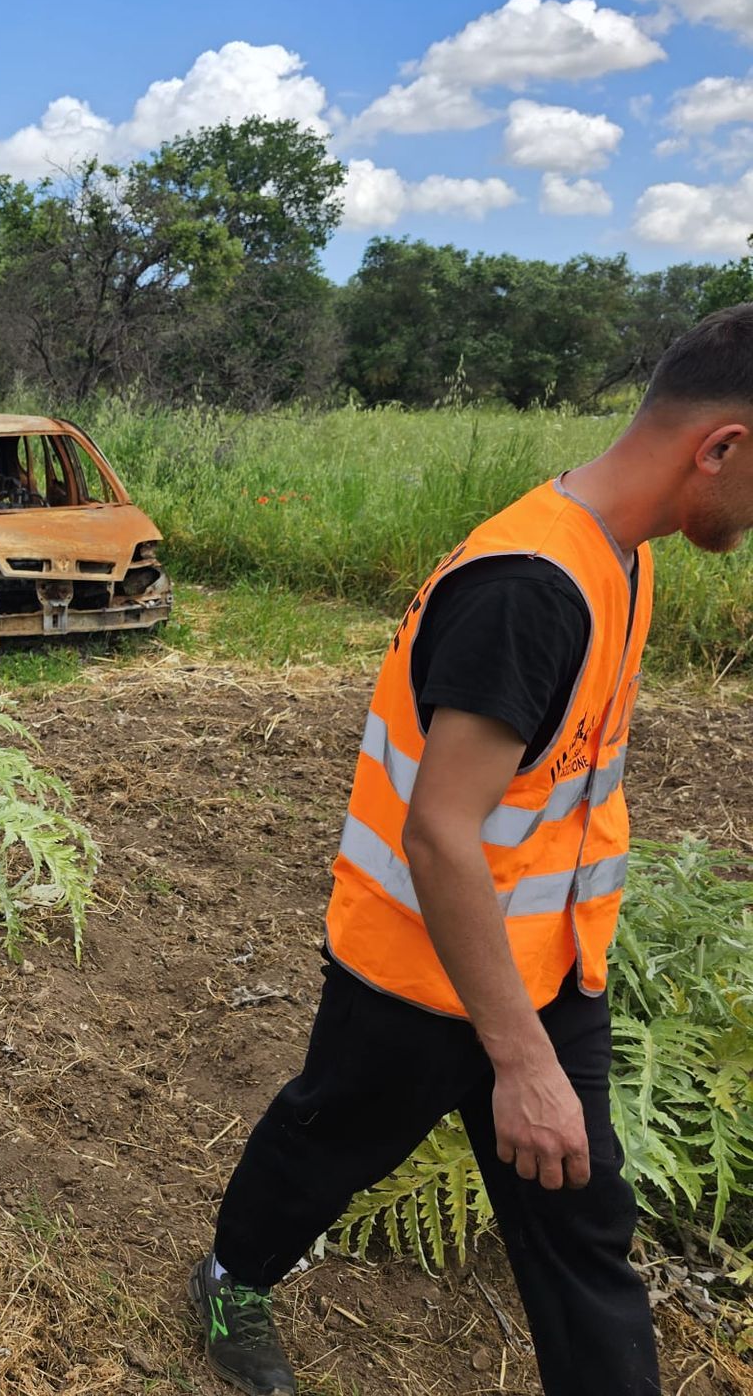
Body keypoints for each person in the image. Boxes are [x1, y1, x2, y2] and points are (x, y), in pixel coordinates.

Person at [190, 304, 753, 1396]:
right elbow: (440, 832)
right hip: (416, 972)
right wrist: (521, 1061)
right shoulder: (528, 591)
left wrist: (546, 1031)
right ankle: (233, 1274)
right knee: (329, 1140)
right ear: (723, 446)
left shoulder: (617, 558)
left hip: (543, 969)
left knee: (582, 1230)